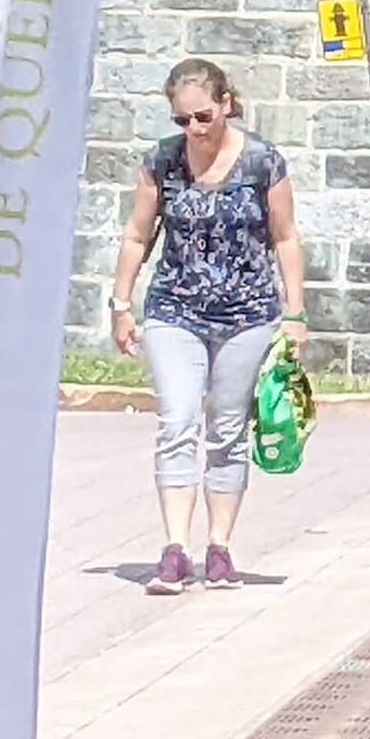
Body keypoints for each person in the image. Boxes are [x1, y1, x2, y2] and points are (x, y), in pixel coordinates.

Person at [104, 57, 307, 595]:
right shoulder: (163, 163)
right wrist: (121, 303)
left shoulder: (263, 162)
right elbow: (136, 235)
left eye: (201, 117)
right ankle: (175, 548)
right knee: (176, 422)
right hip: (175, 308)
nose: (193, 129)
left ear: (225, 106)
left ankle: (219, 547)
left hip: (247, 313)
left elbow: (285, 237)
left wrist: (296, 313)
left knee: (227, 429)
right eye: (182, 120)